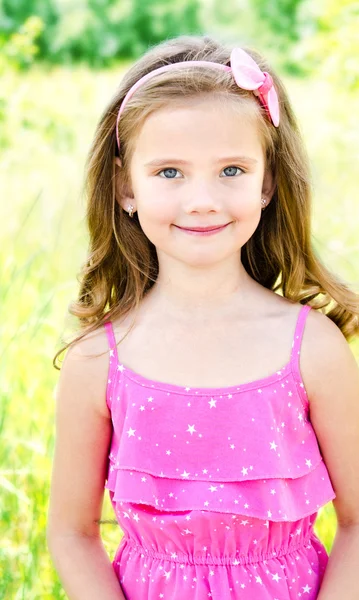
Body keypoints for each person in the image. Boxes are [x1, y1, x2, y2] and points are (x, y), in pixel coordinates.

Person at [47, 34, 359, 600]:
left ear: (267, 182)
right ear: (125, 185)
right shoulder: (98, 359)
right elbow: (71, 533)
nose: (202, 199)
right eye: (169, 172)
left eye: (232, 170)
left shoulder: (312, 348)